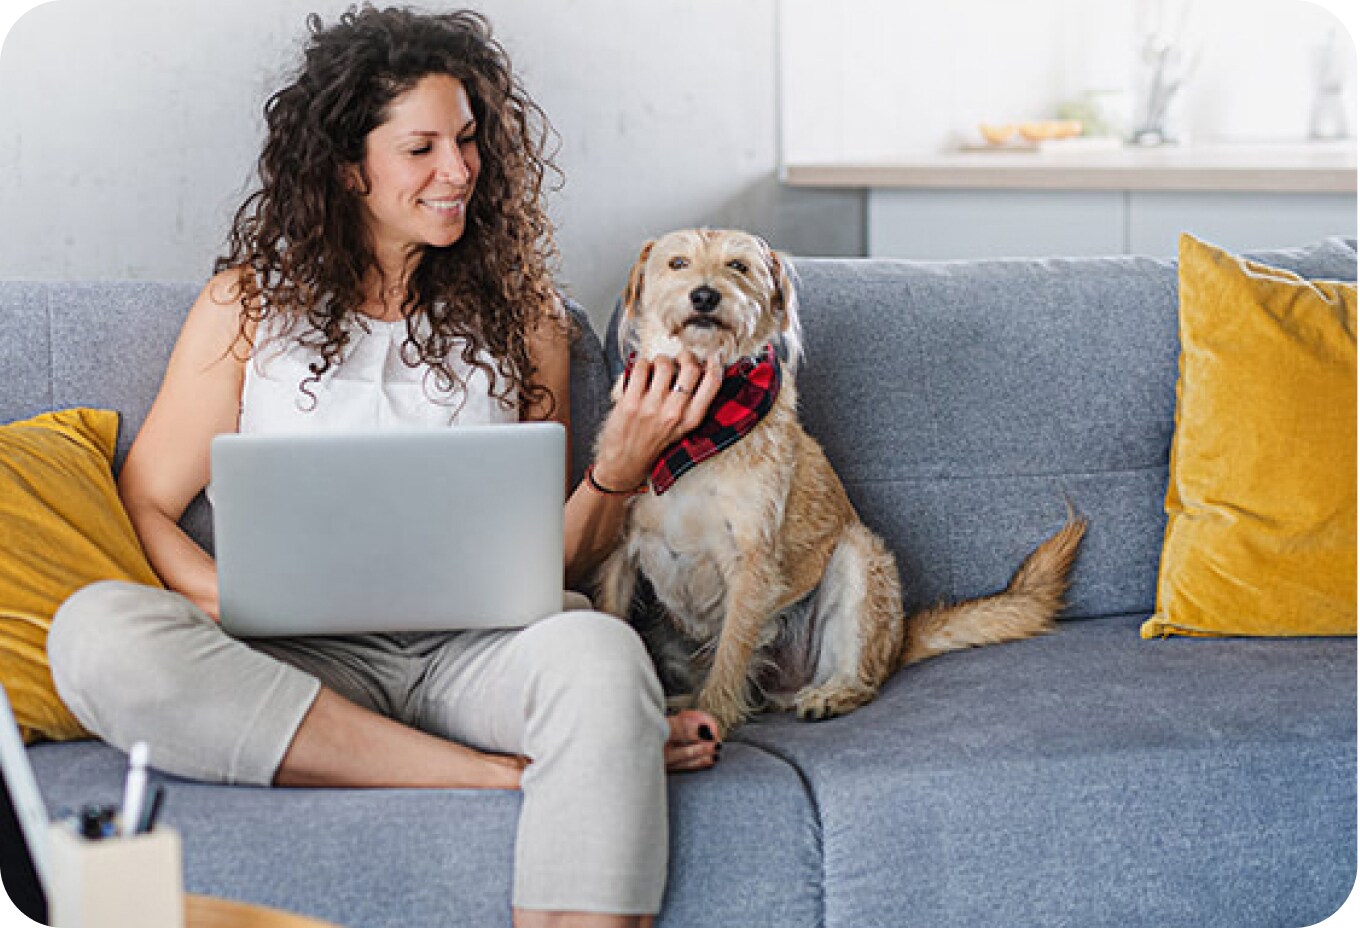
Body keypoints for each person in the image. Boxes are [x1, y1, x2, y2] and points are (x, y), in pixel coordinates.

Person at [46, 6, 727, 926]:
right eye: (422, 149)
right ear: (347, 166)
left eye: (469, 140)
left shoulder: (527, 318)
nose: (460, 171)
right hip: (293, 662)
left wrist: (618, 466)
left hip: (474, 656)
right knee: (95, 632)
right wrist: (226, 597)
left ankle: (549, 764)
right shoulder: (247, 307)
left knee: (599, 654)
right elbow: (147, 505)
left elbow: (548, 561)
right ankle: (490, 773)